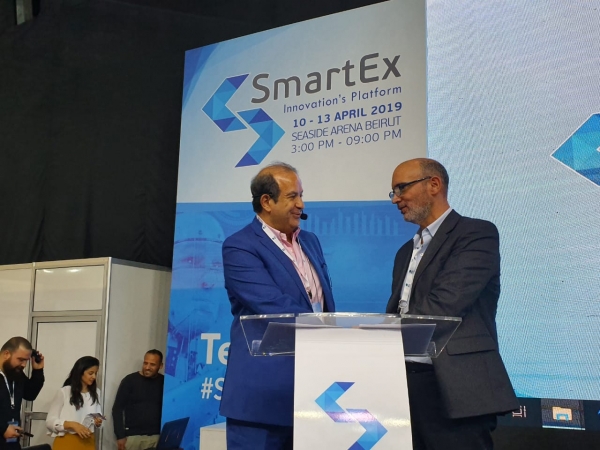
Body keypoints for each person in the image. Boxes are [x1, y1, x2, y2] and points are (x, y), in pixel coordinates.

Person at [386, 158, 519, 450]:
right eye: (393, 192)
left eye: (402, 188)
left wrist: (379, 334)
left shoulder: (476, 234)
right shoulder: (405, 251)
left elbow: (445, 304)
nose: (396, 199)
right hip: (405, 386)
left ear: (434, 185)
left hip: (457, 387)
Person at [219, 162, 335, 449]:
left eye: (301, 195)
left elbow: (320, 302)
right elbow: (271, 305)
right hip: (262, 397)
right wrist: (332, 330)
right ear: (266, 202)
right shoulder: (240, 246)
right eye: (292, 196)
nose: (301, 204)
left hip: (313, 394)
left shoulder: (310, 241)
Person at [46, 356, 103, 449]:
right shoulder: (64, 392)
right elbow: (50, 422)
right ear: (80, 372)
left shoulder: (97, 393)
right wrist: (72, 425)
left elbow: (97, 418)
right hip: (67, 441)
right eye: (90, 373)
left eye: (95, 373)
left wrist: (98, 422)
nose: (94, 377)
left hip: (88, 441)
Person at [112, 350, 164, 450]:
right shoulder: (129, 380)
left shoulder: (164, 382)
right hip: (133, 438)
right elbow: (117, 409)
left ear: (160, 366)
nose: (147, 367)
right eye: (145, 363)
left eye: (152, 364)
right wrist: (120, 436)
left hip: (156, 437)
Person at [0, 337, 45, 450]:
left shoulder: (15, 374)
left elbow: (30, 394)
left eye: (26, 361)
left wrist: (38, 371)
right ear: (6, 354)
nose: (24, 365)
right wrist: (3, 428)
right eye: (20, 360)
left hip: (11, 442)